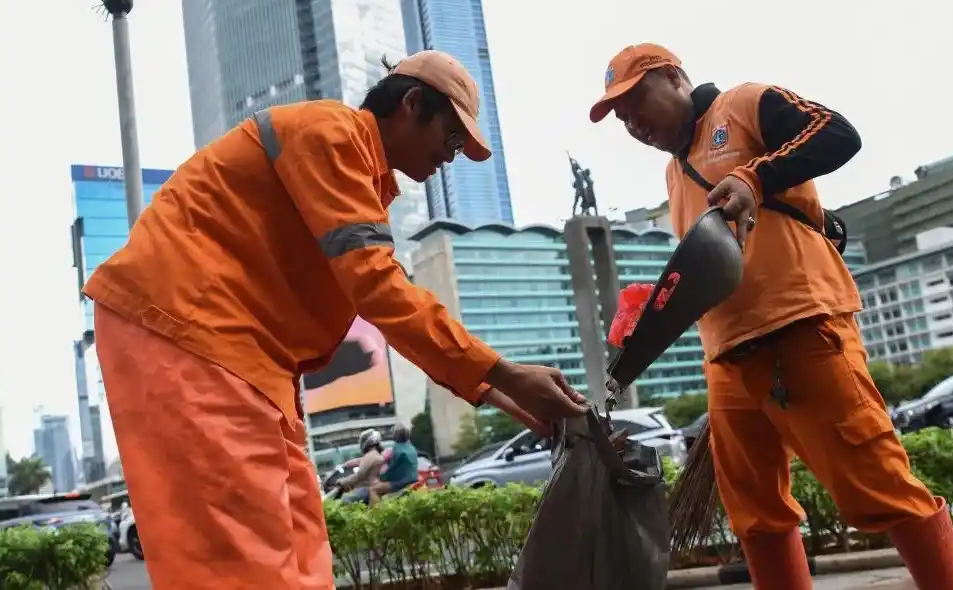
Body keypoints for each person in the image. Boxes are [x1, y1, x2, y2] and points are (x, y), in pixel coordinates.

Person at [84, 49, 588, 590]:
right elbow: (378, 287)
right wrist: (502, 373)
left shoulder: (358, 175)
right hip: (184, 333)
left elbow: (379, 288)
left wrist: (492, 387)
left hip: (243, 358)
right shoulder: (331, 135)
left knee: (303, 550)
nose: (452, 156)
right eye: (452, 138)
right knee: (243, 566)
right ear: (411, 103)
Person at [589, 43, 953, 590]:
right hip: (727, 359)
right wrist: (659, 305)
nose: (633, 124)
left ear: (673, 77)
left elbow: (838, 133)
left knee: (881, 487)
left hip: (801, 330)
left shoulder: (743, 105)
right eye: (622, 118)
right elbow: (719, 262)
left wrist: (755, 177)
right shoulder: (674, 175)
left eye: (636, 104)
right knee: (756, 517)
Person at [369, 424, 420, 505]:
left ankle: (380, 511)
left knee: (373, 489)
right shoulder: (411, 447)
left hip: (402, 481)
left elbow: (393, 469)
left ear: (395, 435)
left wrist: (382, 477)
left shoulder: (397, 449)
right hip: (414, 478)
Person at [339, 429, 386, 505]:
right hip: (377, 487)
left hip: (368, 488)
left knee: (344, 499)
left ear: (367, 442)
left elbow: (359, 475)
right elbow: (361, 461)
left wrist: (343, 481)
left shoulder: (369, 455)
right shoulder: (377, 454)